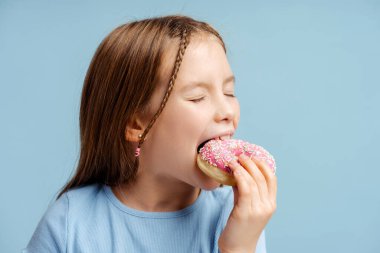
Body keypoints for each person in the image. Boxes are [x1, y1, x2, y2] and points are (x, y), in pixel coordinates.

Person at [23, 15, 277, 253]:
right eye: (197, 97)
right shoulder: (69, 223)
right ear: (137, 124)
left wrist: (239, 247)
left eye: (230, 92)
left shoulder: (235, 218)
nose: (226, 111)